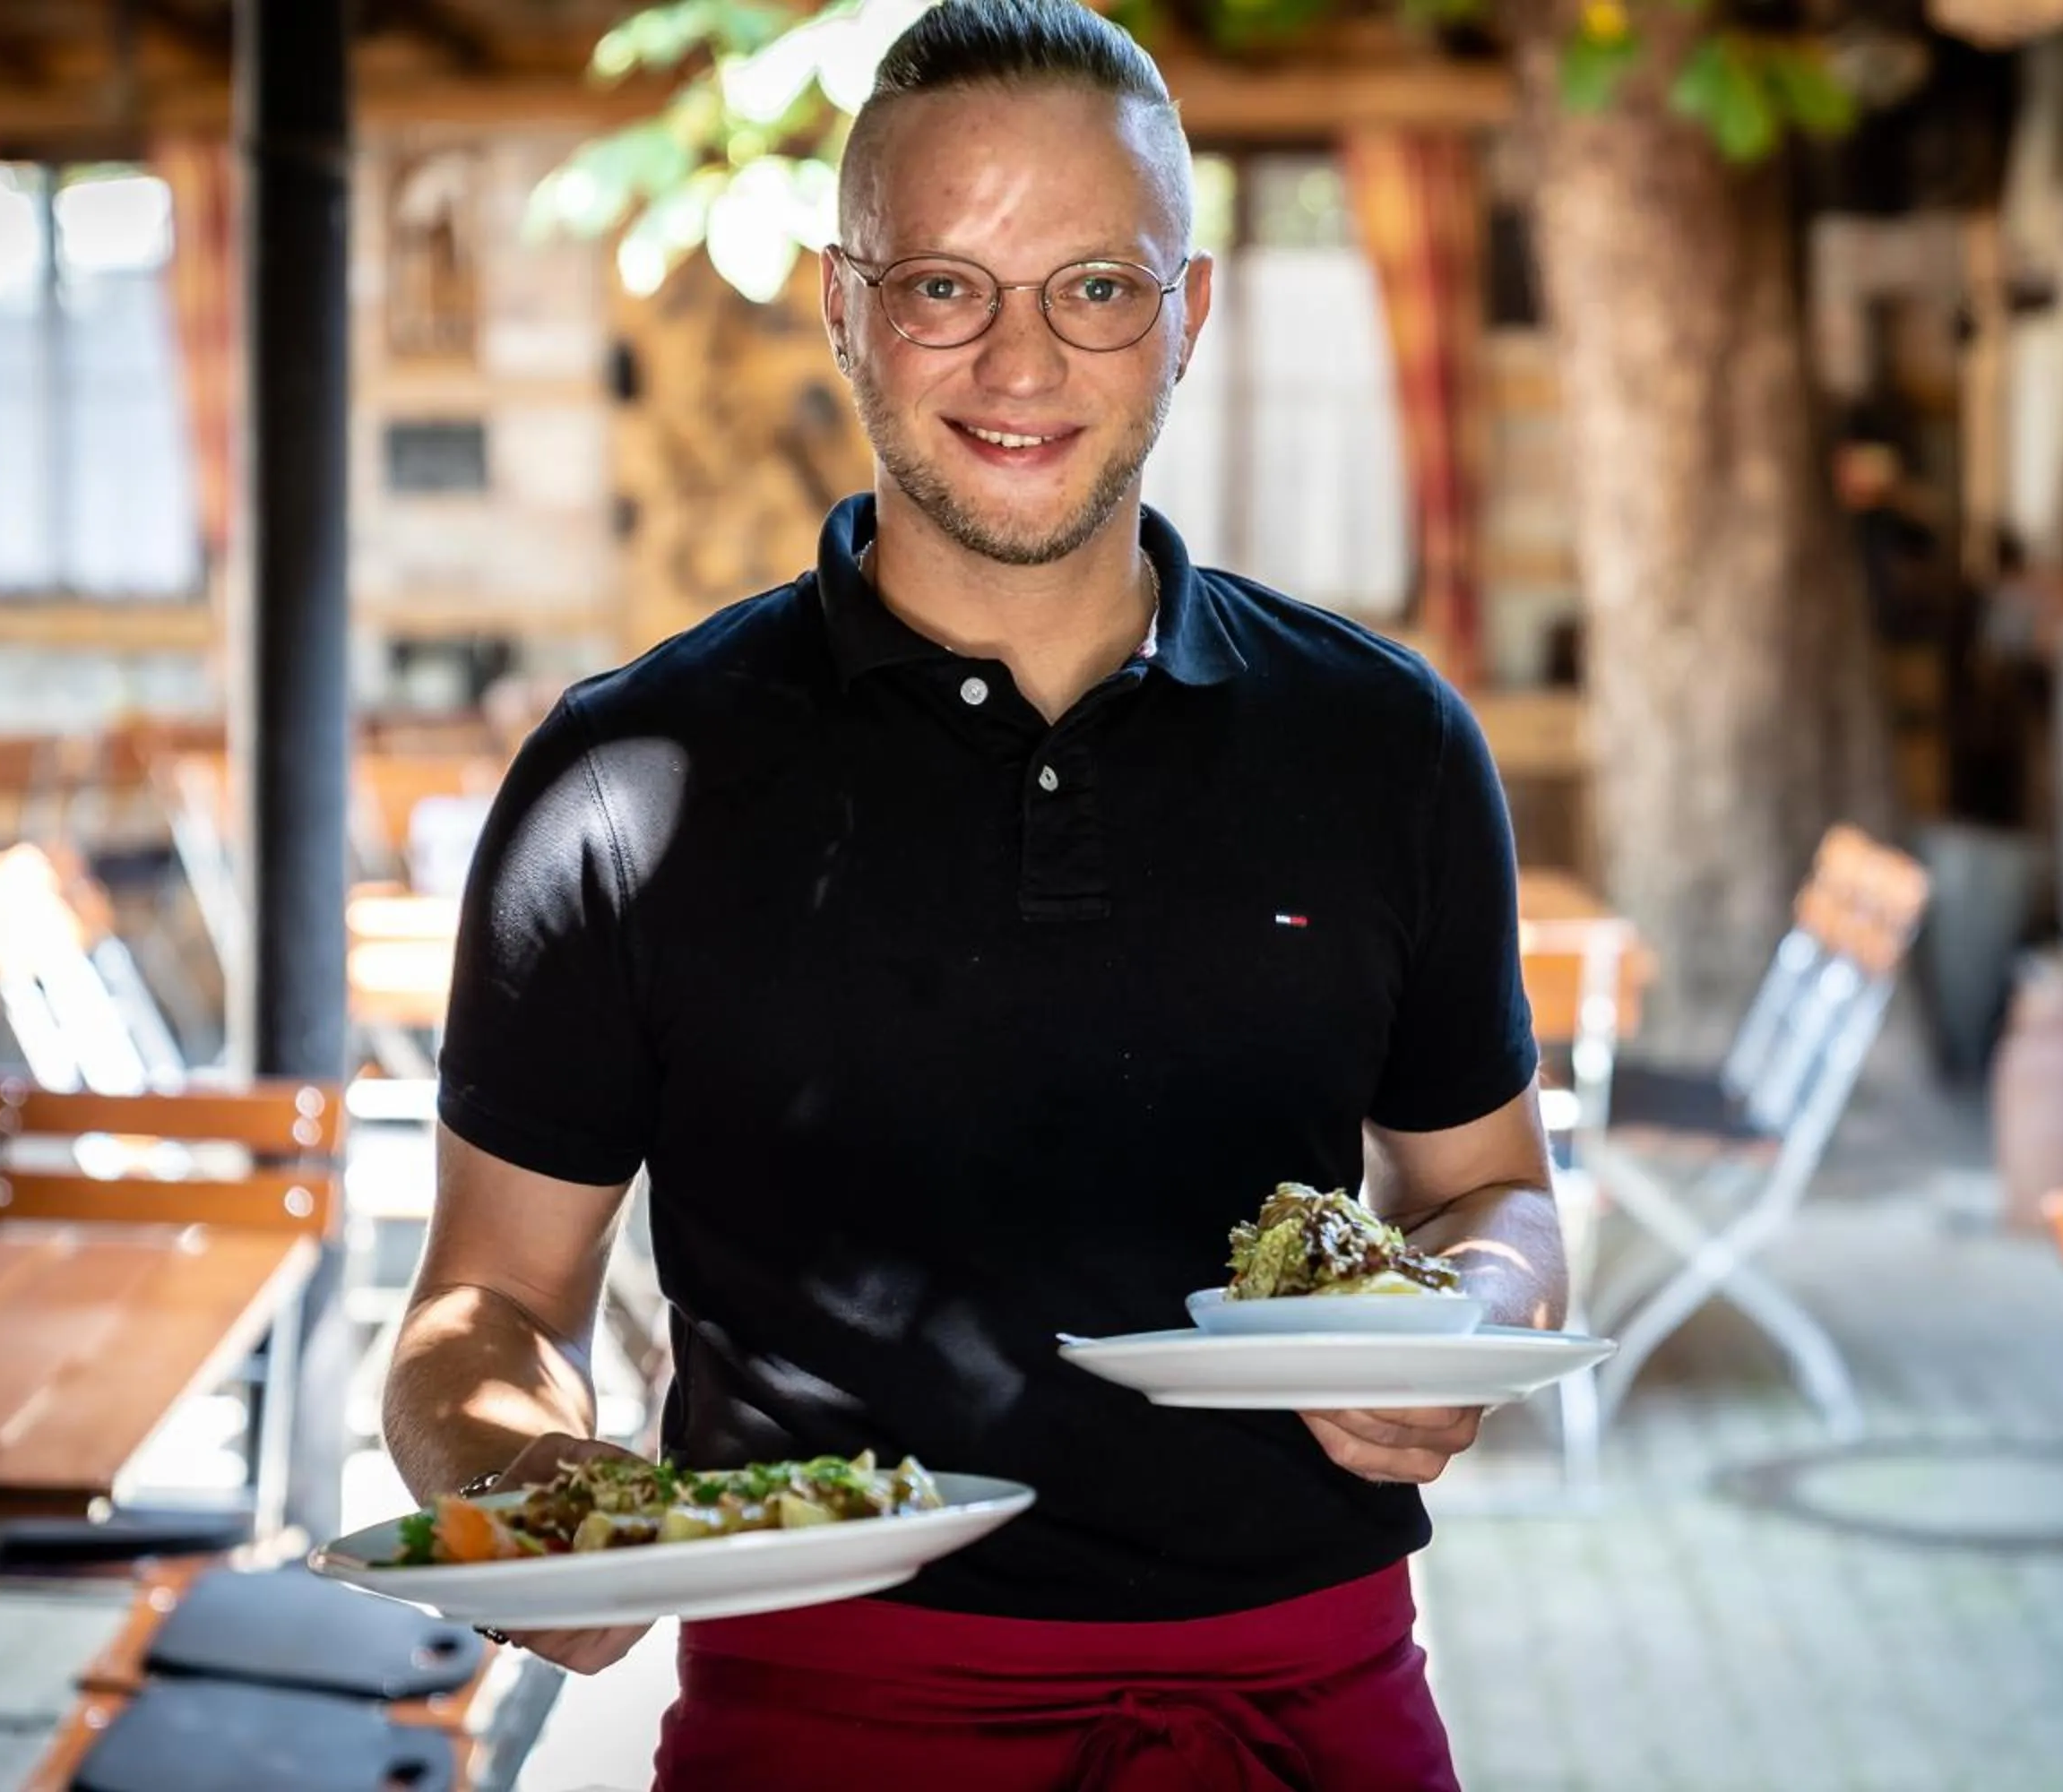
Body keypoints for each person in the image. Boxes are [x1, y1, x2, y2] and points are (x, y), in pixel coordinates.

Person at [381, 1, 1566, 1782]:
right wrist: (525, 1483)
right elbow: (481, 1308)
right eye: (946, 285)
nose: (1021, 365)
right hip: (828, 1714)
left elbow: (1493, 1191)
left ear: (1192, 312)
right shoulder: (624, 781)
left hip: (1306, 1704)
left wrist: (1475, 1315)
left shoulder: (1387, 745)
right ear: (848, 305)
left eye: (1095, 287)